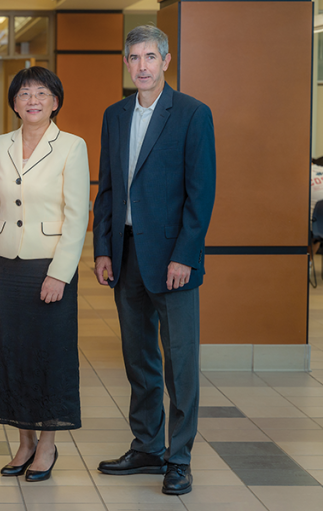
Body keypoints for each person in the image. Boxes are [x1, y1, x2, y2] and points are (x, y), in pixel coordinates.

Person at [92, 26, 216, 496]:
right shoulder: (115, 115)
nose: (141, 66)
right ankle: (147, 446)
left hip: (172, 260)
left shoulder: (191, 114)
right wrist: (103, 248)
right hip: (125, 256)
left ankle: (179, 457)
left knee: (179, 363)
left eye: (150, 57)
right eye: (133, 58)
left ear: (166, 61)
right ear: (126, 64)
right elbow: (107, 187)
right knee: (138, 358)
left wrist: (185, 254)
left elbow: (200, 195)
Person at [0, 66, 89, 483]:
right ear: (14, 102)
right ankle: (24, 443)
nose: (32, 100)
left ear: (55, 102)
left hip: (49, 267)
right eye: (25, 93)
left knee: (49, 356)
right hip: (5, 265)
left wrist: (60, 273)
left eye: (42, 93)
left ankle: (47, 445)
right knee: (12, 355)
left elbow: (77, 215)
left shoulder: (71, 146)